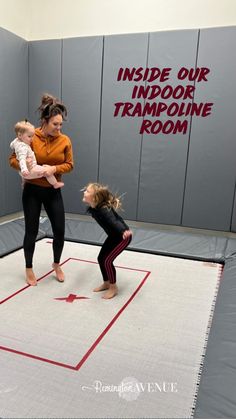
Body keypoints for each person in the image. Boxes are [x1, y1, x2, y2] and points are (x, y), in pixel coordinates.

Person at [9, 93, 74, 286]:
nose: (59, 128)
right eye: (55, 124)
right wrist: (26, 167)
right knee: (31, 230)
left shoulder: (64, 140)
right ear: (44, 122)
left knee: (60, 231)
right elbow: (12, 159)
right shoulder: (30, 136)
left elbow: (70, 164)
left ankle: (56, 263)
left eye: (61, 124)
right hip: (32, 192)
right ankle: (29, 268)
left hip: (53, 192)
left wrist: (53, 169)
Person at [82, 182, 132, 299]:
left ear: (95, 197)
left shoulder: (104, 209)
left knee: (107, 261)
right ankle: (106, 282)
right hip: (113, 236)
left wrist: (123, 231)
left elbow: (114, 220)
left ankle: (113, 287)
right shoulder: (95, 207)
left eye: (87, 191)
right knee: (101, 258)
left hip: (123, 237)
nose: (84, 192)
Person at [10, 120, 64, 189]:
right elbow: (21, 159)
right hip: (30, 170)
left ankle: (24, 180)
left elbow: (12, 145)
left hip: (26, 172)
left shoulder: (17, 141)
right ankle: (55, 183)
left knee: (43, 171)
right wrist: (24, 169)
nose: (32, 139)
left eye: (33, 136)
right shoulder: (23, 148)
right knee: (47, 171)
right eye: (29, 136)